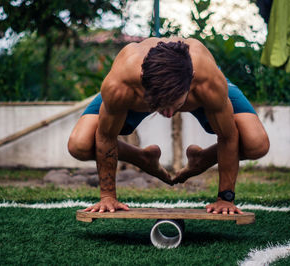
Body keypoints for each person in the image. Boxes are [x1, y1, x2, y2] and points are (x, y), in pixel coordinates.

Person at [68, 37, 270, 215]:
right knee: (79, 145)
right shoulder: (120, 84)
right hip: (138, 88)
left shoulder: (208, 81)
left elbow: (228, 136)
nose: (167, 113)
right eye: (159, 106)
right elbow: (105, 136)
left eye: (174, 104)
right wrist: (107, 196)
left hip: (196, 83)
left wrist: (226, 198)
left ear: (190, 84)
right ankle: (143, 158)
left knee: (256, 143)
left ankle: (201, 160)